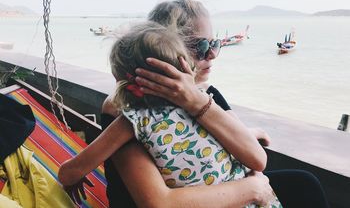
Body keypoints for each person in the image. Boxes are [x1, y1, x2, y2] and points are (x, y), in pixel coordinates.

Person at [101, 0, 329, 208]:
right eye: (199, 46)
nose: (211, 55)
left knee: (304, 184)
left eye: (214, 44)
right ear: (163, 48)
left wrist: (195, 100)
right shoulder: (128, 110)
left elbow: (256, 158)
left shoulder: (207, 94)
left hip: (214, 187)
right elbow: (158, 202)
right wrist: (252, 189)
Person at [58, 20, 281, 207]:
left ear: (121, 81)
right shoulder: (203, 107)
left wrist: (73, 177)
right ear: (183, 68)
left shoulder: (131, 123)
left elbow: (68, 172)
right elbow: (255, 159)